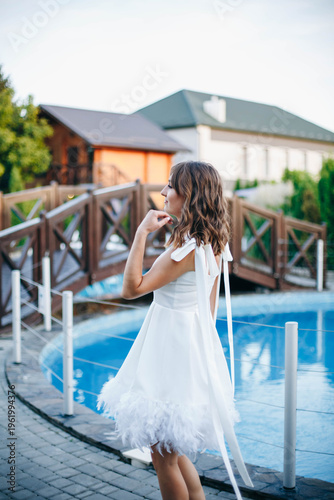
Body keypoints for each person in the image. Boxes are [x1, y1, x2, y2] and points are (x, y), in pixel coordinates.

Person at [97, 161, 253, 500]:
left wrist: (141, 233)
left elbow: (131, 287)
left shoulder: (184, 251)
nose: (164, 193)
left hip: (168, 354)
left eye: (171, 186)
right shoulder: (212, 242)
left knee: (162, 457)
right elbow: (207, 309)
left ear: (190, 194)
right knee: (174, 452)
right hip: (188, 348)